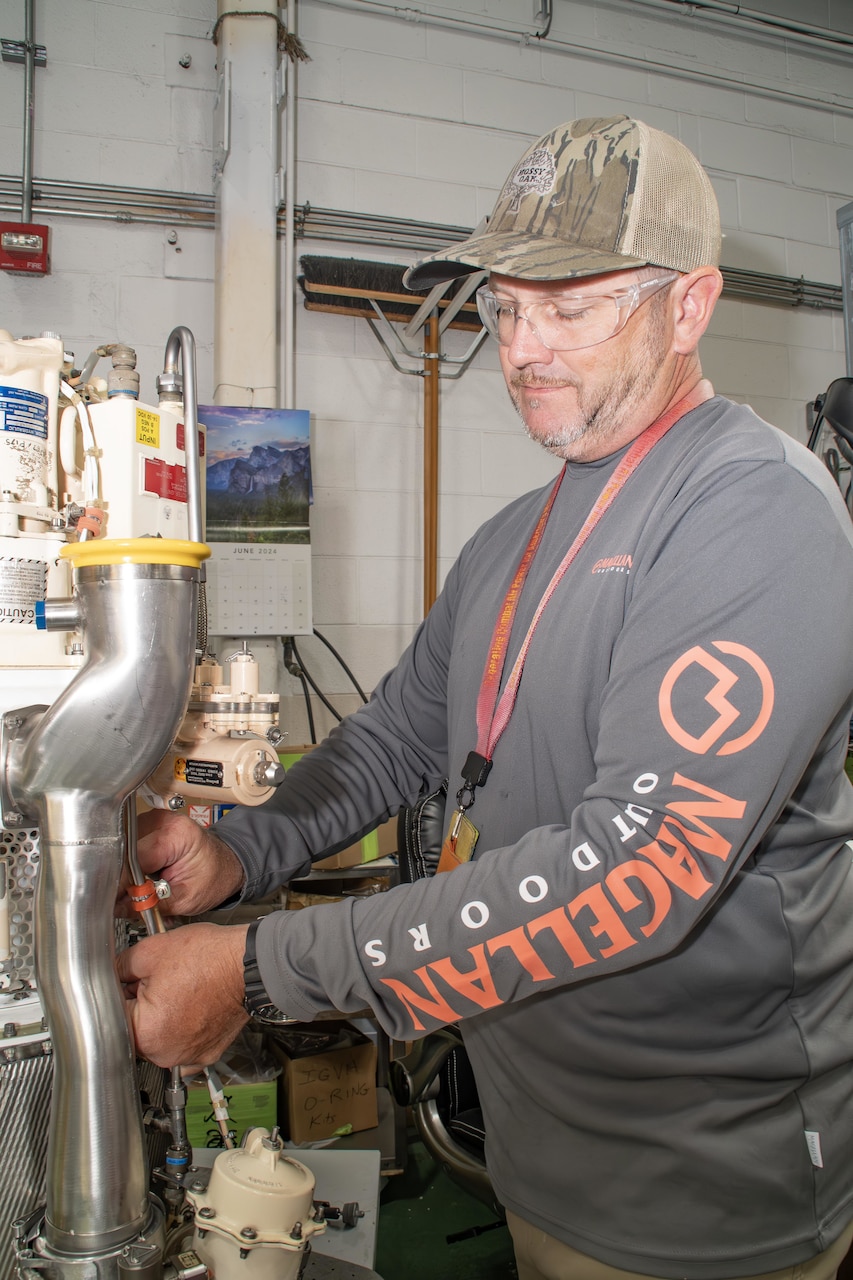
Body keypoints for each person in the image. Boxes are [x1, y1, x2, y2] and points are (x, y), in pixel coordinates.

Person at [117, 116, 853, 1280]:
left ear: (690, 306)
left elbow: (636, 869)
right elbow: (393, 739)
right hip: (537, 1148)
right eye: (506, 308)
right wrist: (238, 855)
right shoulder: (516, 535)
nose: (523, 347)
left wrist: (253, 968)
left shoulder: (756, 512)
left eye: (572, 307)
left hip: (699, 1198)